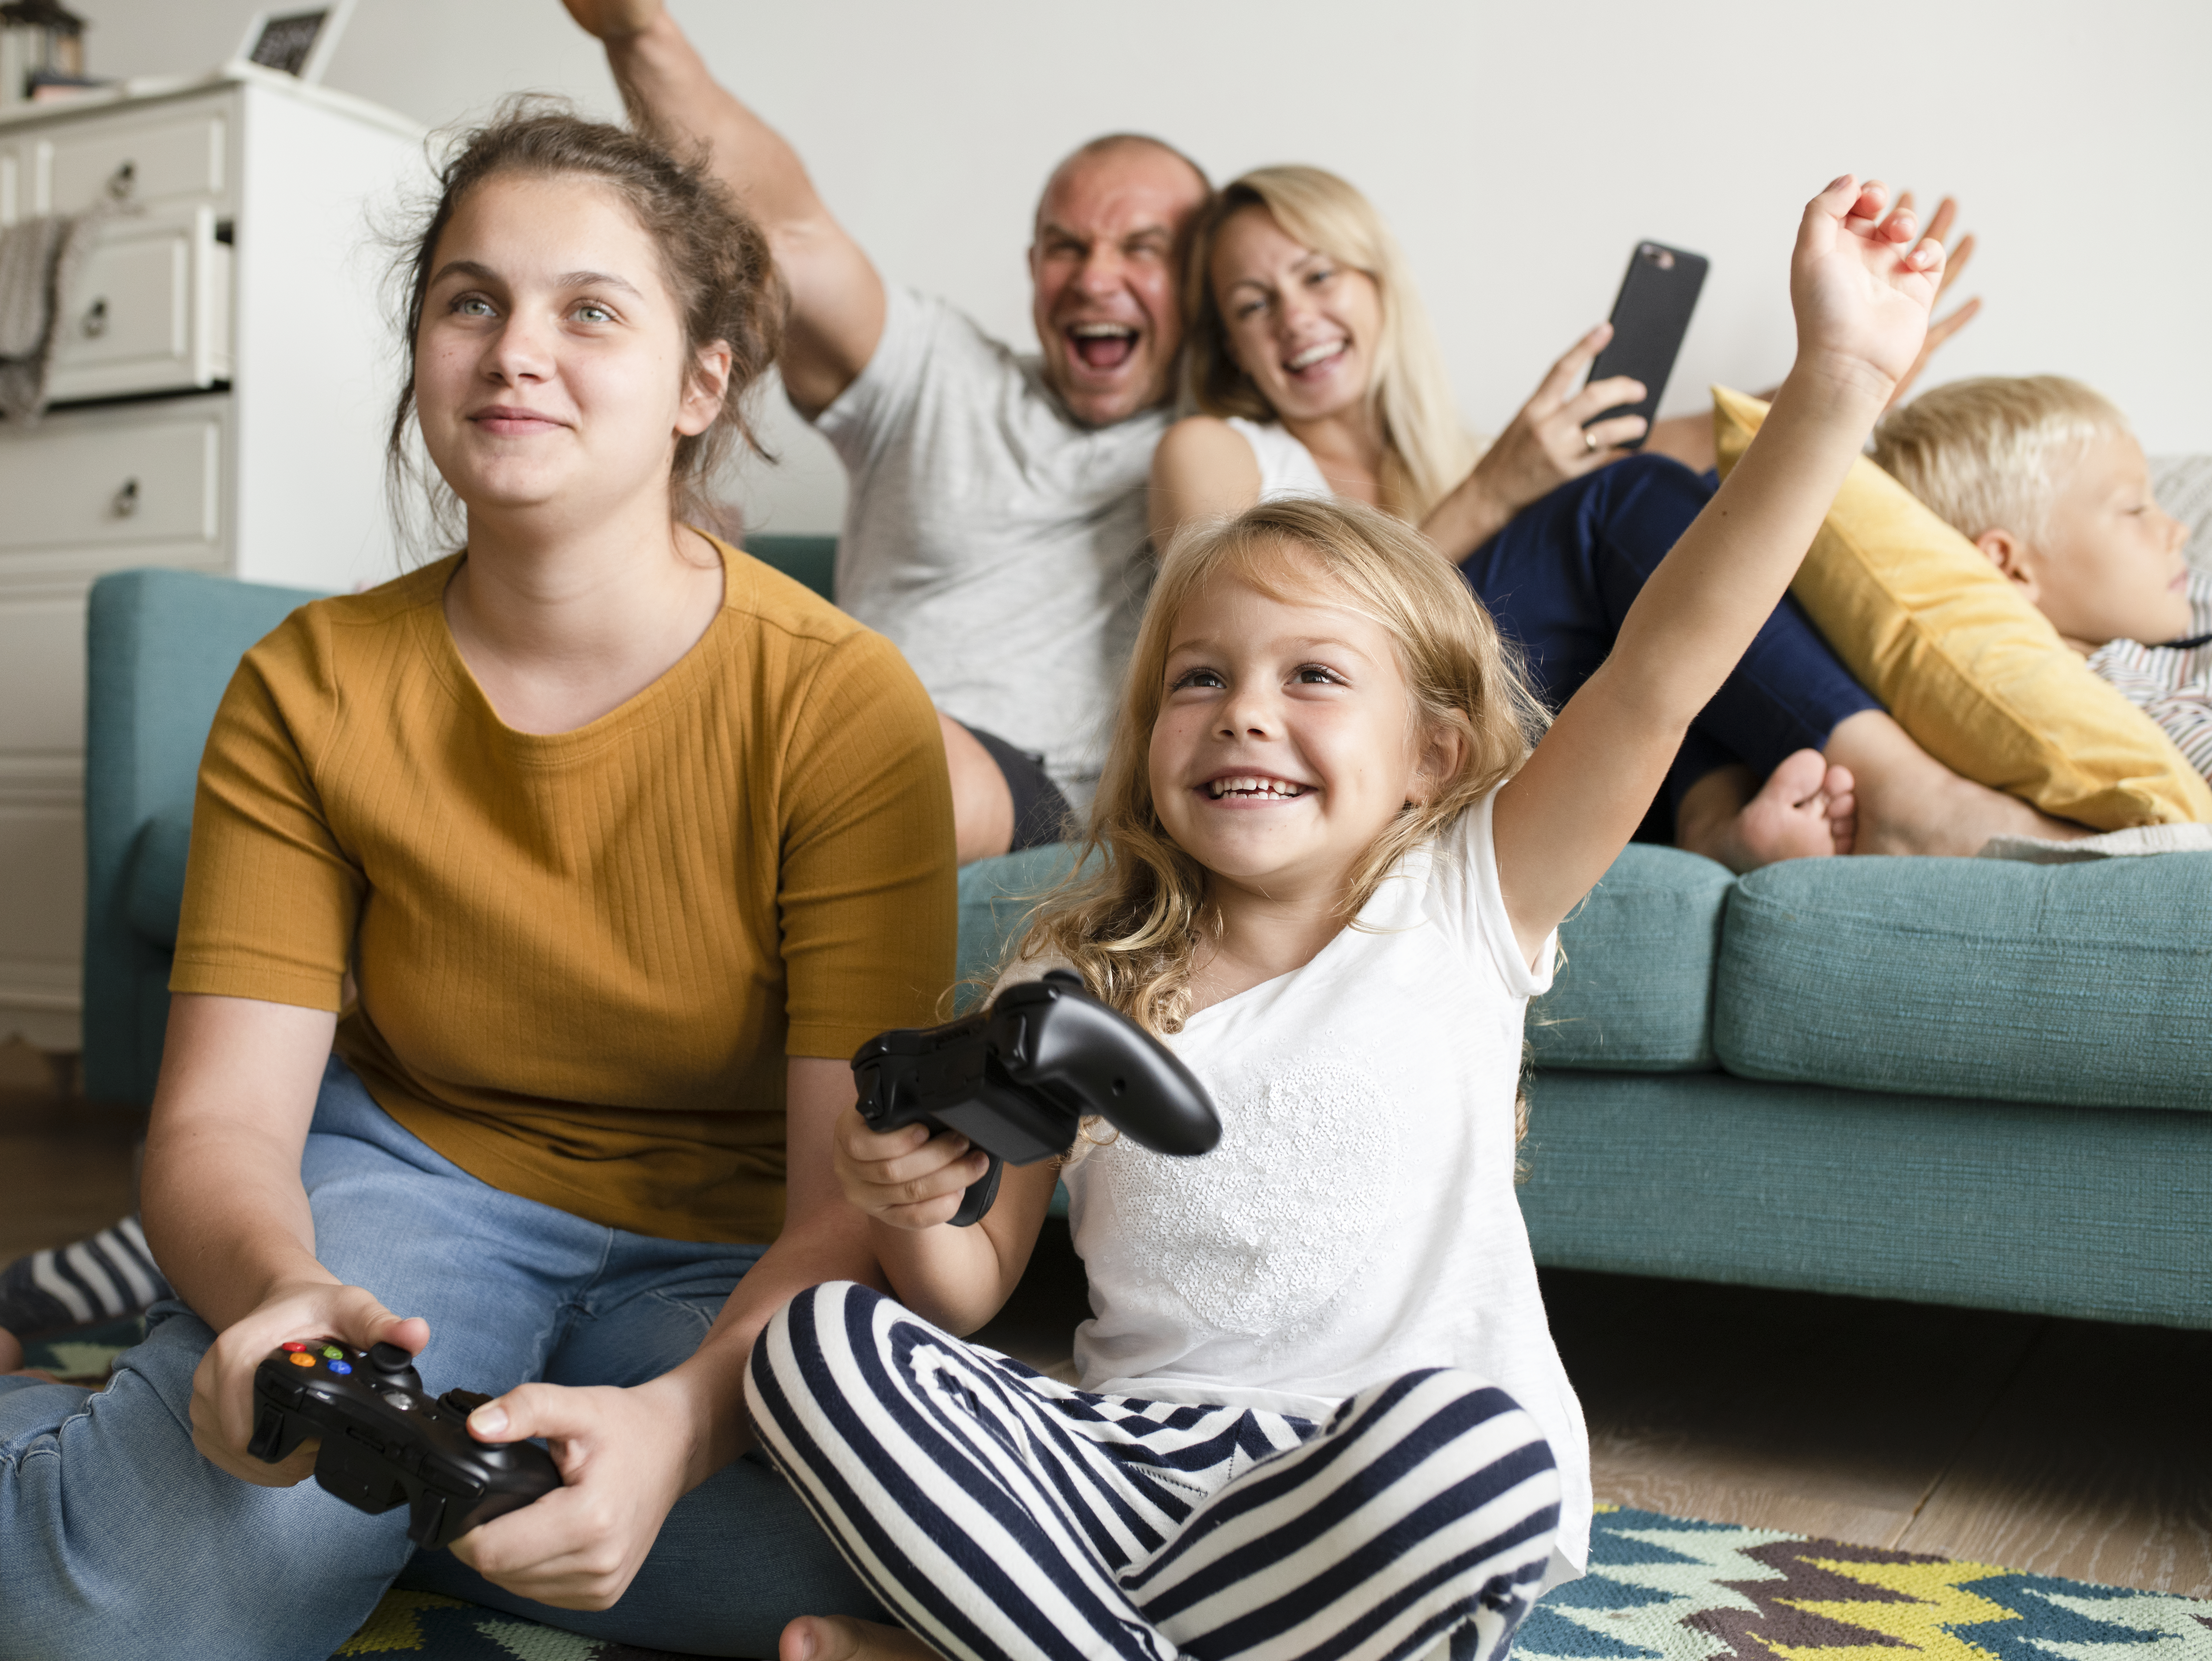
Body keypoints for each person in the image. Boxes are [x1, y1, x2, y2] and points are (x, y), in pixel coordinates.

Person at [0, 105, 950, 1660]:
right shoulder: (308, 685)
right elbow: (224, 1129)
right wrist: (280, 1299)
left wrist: (682, 1429)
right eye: (469, 299)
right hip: (413, 1199)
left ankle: (346, 1512)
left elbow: (842, 1203)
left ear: (701, 380)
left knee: (909, 1569)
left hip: (735, 1255)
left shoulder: (845, 706)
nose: (515, 349)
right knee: (134, 1626)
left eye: (589, 309)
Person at [743, 174, 1967, 1661]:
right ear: (1148, 737)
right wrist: (908, 1197)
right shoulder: (1076, 972)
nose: (1244, 710)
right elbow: (973, 1280)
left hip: (1371, 1474)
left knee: (1493, 1457)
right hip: (1127, 1467)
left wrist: (1837, 380)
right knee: (820, 1343)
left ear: (1433, 753)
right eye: (1198, 678)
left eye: (1312, 676)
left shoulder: (1466, 891)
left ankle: (1012, 1643)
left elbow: (1665, 663)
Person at [1151, 165, 2077, 868]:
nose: (1295, 318)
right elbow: (1241, 621)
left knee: (1662, 525)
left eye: (1318, 277)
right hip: (1349, 746)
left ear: (1377, 286)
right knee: (1614, 503)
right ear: (1229, 343)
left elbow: (1711, 445)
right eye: (1252, 304)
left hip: (1517, 734)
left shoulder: (1459, 452)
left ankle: (1717, 821)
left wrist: (1846, 376)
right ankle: (1909, 794)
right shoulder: (1213, 446)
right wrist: (1495, 490)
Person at [558, 0, 1212, 860]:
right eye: (1065, 246)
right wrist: (637, 30)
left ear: (1202, 278)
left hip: (1025, 788)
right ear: (1031, 268)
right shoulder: (940, 372)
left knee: (865, 736)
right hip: (825, 728)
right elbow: (782, 229)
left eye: (1142, 248)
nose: (1095, 277)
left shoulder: (1221, 451)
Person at [1873, 374, 2211, 773]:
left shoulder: (2178, 596)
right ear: (2012, 569)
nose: (2178, 531)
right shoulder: (2111, 697)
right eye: (2135, 509)